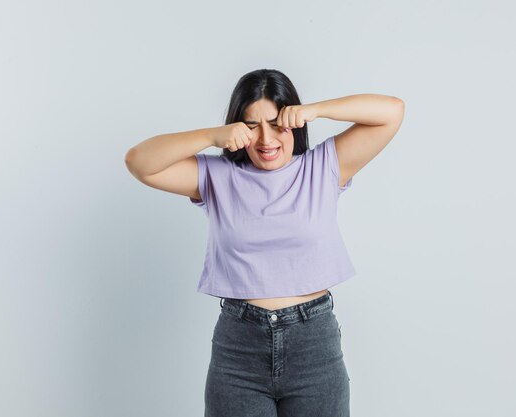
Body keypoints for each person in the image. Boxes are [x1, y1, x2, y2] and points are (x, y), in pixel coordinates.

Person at [124, 69, 404, 417]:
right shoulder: (215, 176)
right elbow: (139, 161)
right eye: (252, 125)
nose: (266, 139)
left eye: (276, 123)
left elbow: (392, 112)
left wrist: (315, 110)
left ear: (294, 122)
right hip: (239, 348)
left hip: (313, 344)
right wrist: (212, 136)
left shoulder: (323, 166)